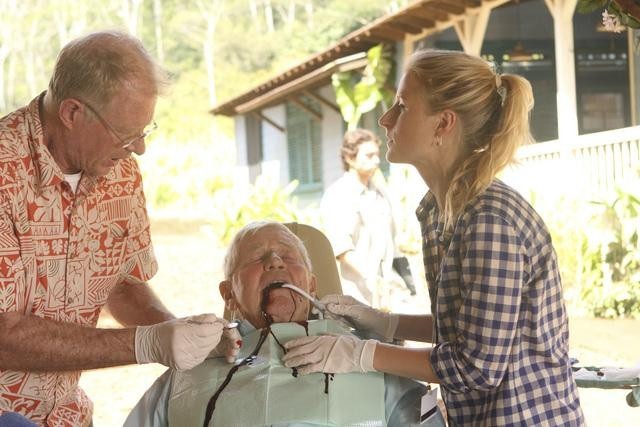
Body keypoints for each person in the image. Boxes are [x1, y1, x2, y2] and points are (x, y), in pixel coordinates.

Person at [283, 49, 586, 426]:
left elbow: (477, 367)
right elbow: (468, 327)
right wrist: (386, 323)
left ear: (443, 124)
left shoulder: (488, 220)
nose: (385, 119)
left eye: (402, 106)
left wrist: (362, 352)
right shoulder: (442, 209)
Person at [0, 31, 231, 426]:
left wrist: (184, 337)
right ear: (73, 113)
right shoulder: (6, 173)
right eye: (128, 133)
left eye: (145, 130)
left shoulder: (120, 174)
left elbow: (122, 284)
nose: (139, 148)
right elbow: (4, 335)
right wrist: (146, 344)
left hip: (66, 414)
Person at [124, 221, 444, 427]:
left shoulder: (375, 360)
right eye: (256, 258)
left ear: (312, 284)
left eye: (289, 258)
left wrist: (384, 329)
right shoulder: (184, 376)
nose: (275, 262)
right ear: (229, 294)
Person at [320, 128, 402, 307]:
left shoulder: (381, 193)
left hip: (388, 298)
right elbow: (343, 250)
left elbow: (392, 244)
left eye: (377, 155)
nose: (377, 161)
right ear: (350, 158)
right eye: (369, 155)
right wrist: (372, 280)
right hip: (358, 299)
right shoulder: (338, 195)